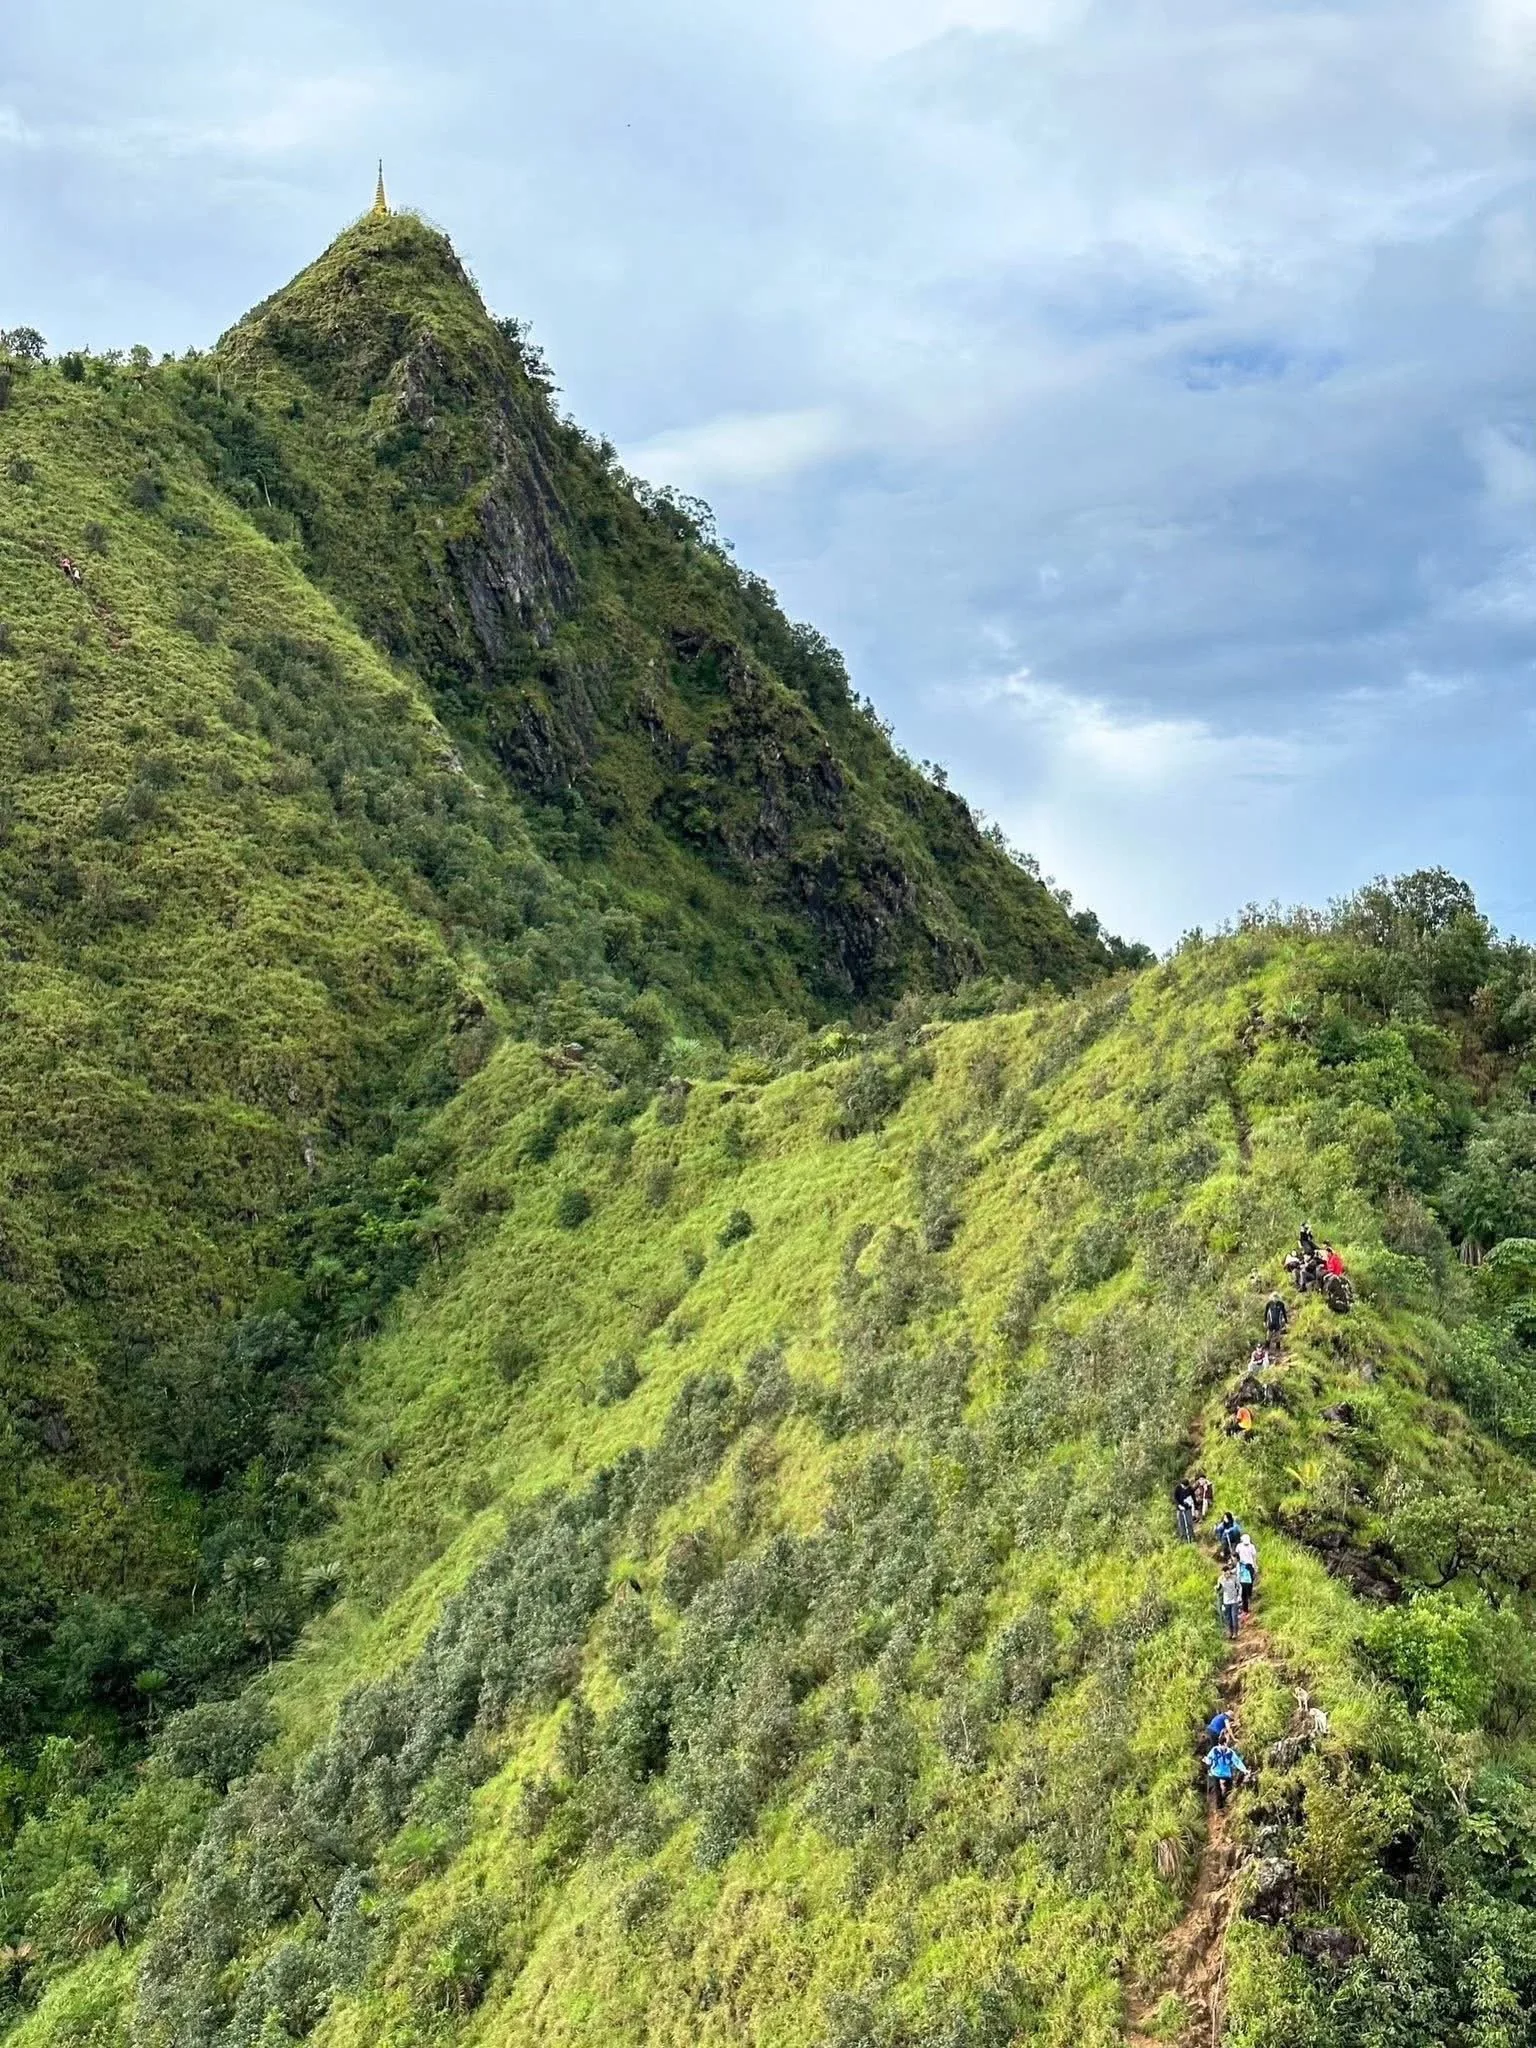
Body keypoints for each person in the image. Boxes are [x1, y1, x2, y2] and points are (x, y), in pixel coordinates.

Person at [1205, 1737, 1250, 1807]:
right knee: (1216, 1790)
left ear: (1226, 1744)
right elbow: (1209, 1759)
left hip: (1226, 1774)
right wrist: (1207, 1761)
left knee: (1229, 1789)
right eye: (1220, 1745)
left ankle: (1228, 1804)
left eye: (1223, 1745)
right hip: (1215, 1773)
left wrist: (1244, 1769)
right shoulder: (1215, 1750)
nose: (1221, 1747)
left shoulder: (1230, 1752)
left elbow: (1237, 1762)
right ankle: (1218, 1807)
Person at [1217, 1562, 1243, 1638]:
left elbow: (1239, 1587)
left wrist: (1239, 1596)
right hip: (1226, 1601)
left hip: (1234, 1600)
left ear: (1229, 1571)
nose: (1226, 1575)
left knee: (1234, 1617)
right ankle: (1230, 1632)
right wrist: (1217, 1588)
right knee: (1228, 1618)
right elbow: (1219, 1589)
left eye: (1227, 1572)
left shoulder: (1234, 1577)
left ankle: (1235, 1633)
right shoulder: (1220, 1579)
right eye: (1224, 1573)